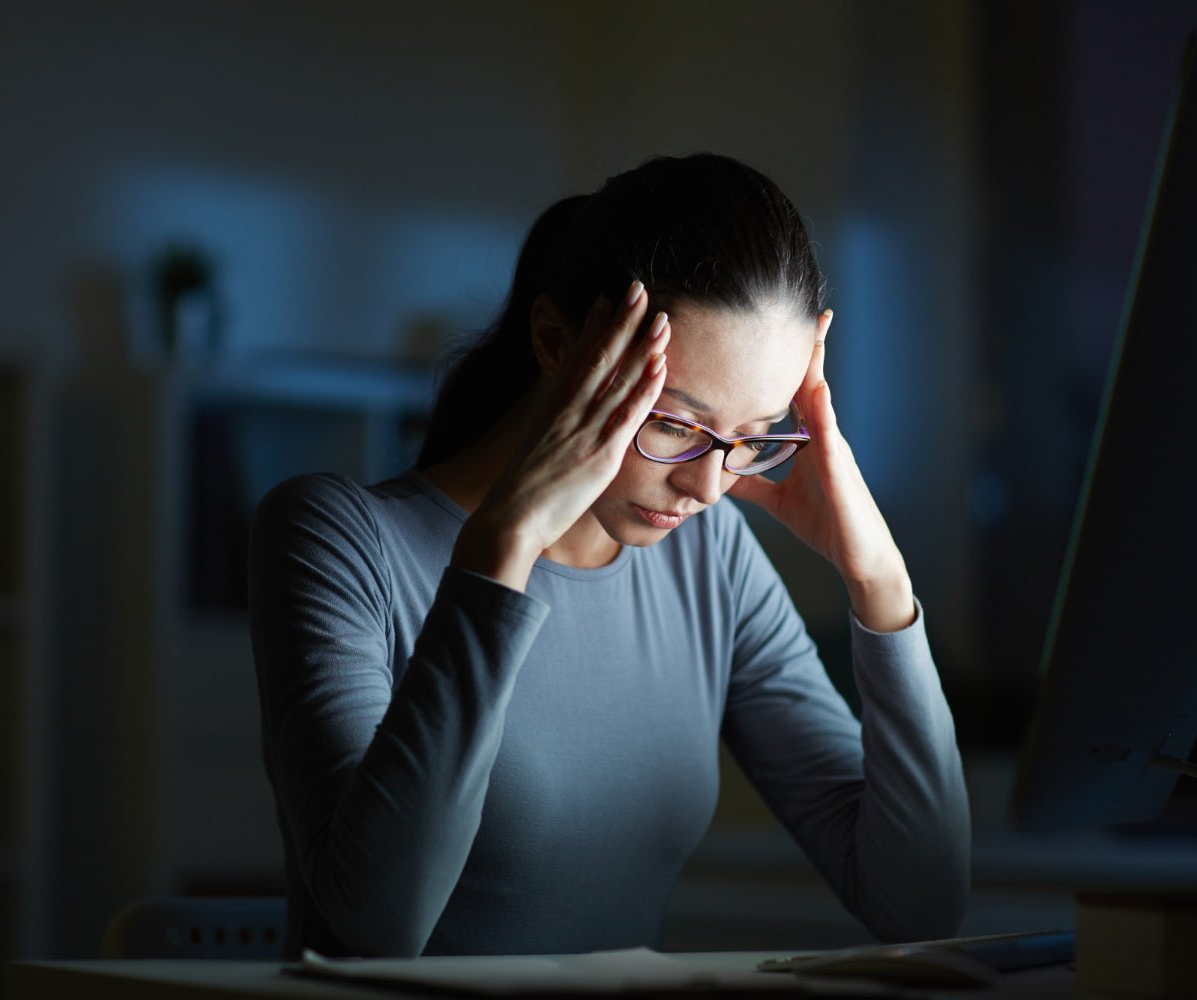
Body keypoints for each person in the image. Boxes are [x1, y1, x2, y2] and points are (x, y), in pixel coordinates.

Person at [248, 153, 970, 959]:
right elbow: (377, 924)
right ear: (559, 343)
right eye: (673, 424)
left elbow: (921, 905)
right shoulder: (337, 540)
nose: (706, 484)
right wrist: (502, 551)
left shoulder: (710, 559)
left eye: (753, 439)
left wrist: (881, 582)